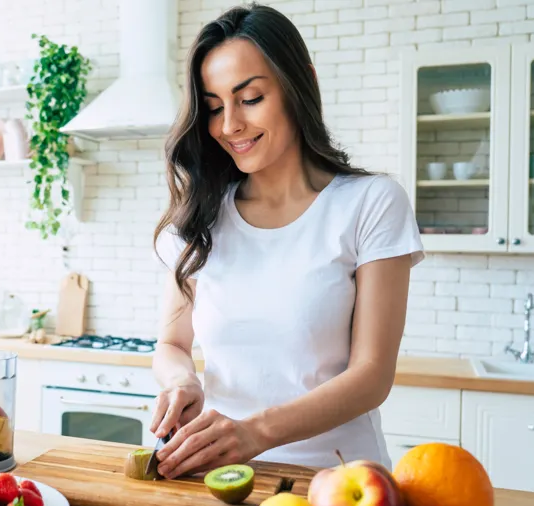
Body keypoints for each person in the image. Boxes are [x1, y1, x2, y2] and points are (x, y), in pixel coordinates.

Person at [149, 3, 425, 480]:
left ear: (303, 85)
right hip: (217, 475)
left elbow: (372, 375)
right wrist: (181, 381)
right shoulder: (199, 218)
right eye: (213, 107)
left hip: (338, 479)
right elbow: (172, 343)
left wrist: (254, 432)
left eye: (250, 98)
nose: (228, 125)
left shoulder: (370, 203)